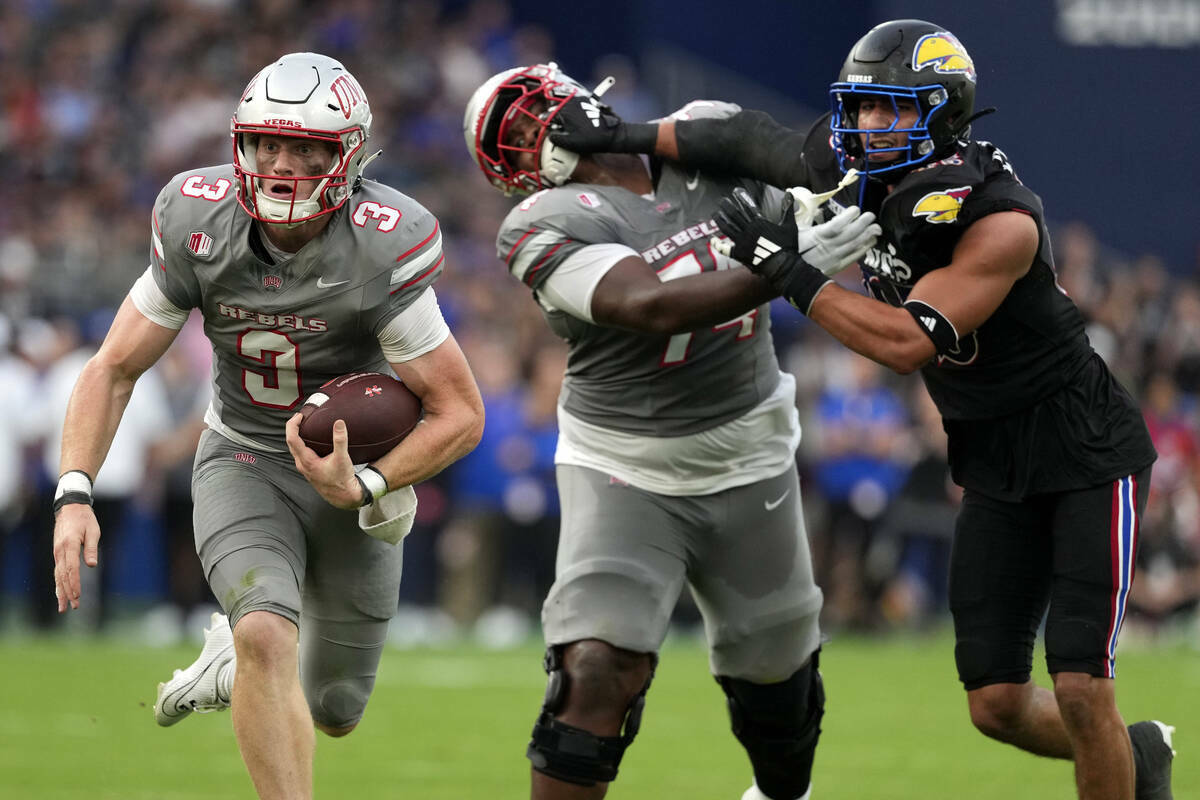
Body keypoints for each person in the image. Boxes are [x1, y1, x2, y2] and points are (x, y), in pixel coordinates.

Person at [546, 18, 1175, 800]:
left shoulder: (999, 217)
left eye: (890, 110)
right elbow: (743, 135)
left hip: (1084, 453)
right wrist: (629, 133)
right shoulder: (857, 164)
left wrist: (791, 272)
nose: (867, 127)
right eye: (862, 107)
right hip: (992, 459)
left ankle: (1116, 753)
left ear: (943, 114)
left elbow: (908, 342)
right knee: (997, 705)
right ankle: (1137, 757)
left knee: (1082, 688)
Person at [50, 53, 484, 800]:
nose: (283, 163)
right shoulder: (198, 220)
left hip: (349, 479)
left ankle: (233, 665)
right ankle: (246, 653)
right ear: (241, 144)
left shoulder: (382, 242)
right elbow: (114, 367)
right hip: (245, 456)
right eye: (269, 143)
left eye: (308, 147)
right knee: (264, 632)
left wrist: (369, 481)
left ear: (346, 155)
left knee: (336, 710)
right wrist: (74, 490)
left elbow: (461, 412)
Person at [462, 63, 878, 800]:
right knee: (593, 670)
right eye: (515, 141)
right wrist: (794, 267)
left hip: (750, 448)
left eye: (533, 115)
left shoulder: (700, 130)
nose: (537, 137)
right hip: (626, 464)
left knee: (779, 688)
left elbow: (804, 156)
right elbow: (652, 306)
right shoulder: (540, 223)